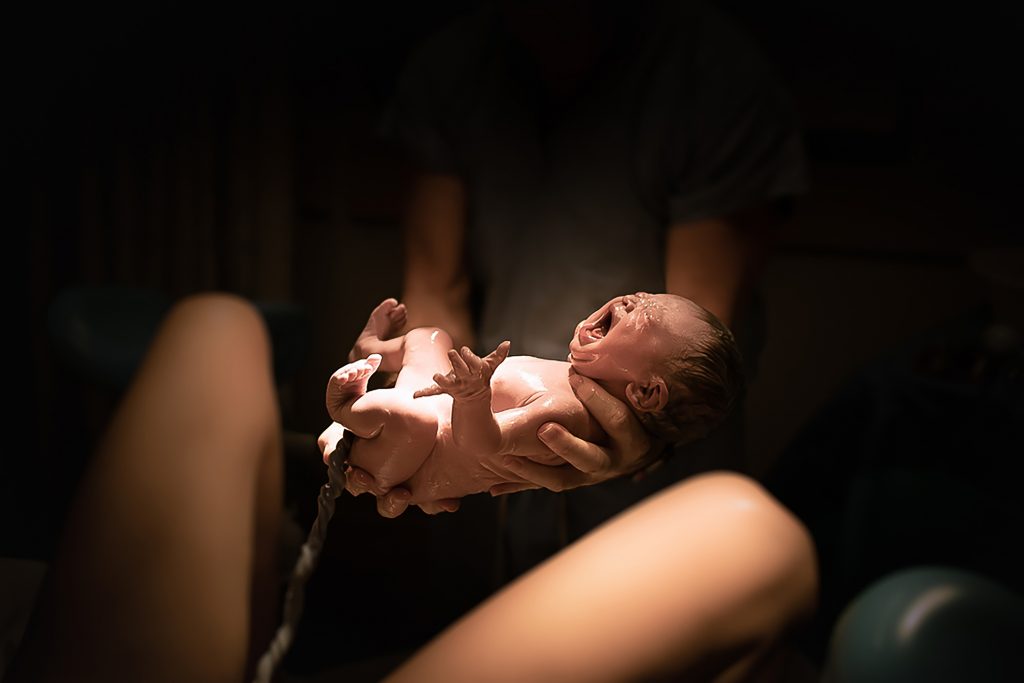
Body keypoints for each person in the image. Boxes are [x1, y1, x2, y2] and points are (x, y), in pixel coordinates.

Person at [8, 294, 817, 683]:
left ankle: (366, 418)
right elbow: (436, 319)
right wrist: (420, 374)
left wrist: (624, 453)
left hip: (470, 429)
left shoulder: (700, 88)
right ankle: (362, 415)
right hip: (441, 413)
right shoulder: (459, 78)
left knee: (754, 529)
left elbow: (692, 352)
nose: (607, 314)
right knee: (218, 322)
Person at [327, 0, 807, 571]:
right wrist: (417, 407)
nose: (633, 300)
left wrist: (633, 449)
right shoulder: (456, 67)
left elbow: (694, 337)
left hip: (656, 501)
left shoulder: (710, 75)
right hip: (493, 484)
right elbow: (435, 290)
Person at [325, 293, 742, 510]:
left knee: (406, 417)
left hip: (413, 453)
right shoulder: (574, 378)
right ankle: (370, 348)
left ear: (646, 392)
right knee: (430, 337)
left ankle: (346, 407)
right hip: (426, 405)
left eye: (649, 315)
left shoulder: (566, 416)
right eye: (647, 293)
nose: (633, 299)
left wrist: (473, 397)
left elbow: (480, 444)